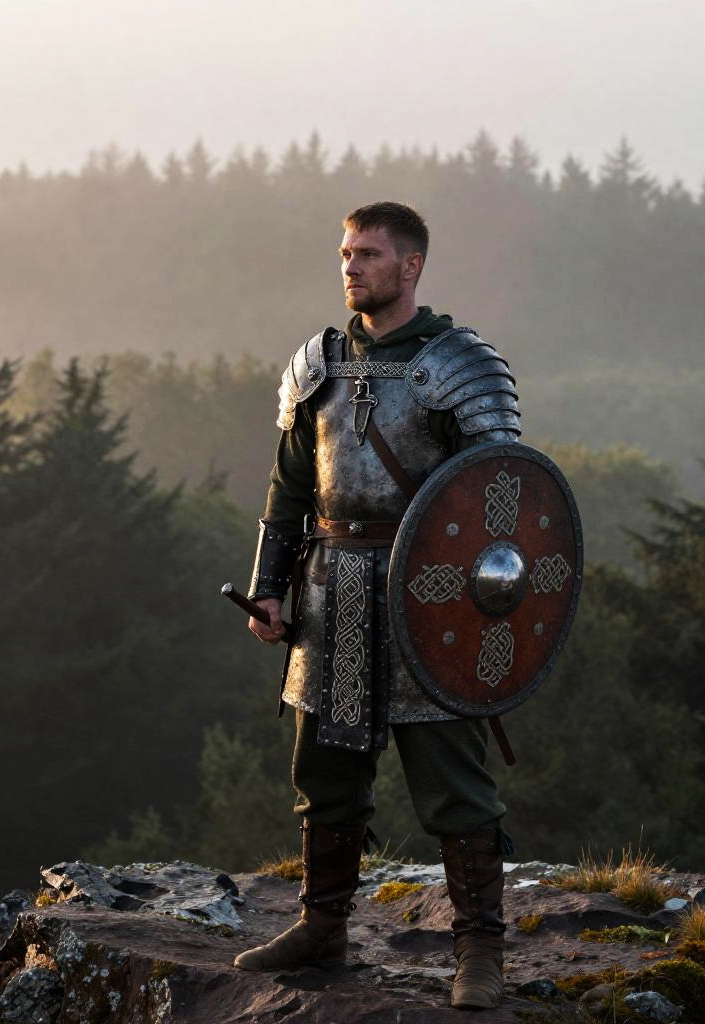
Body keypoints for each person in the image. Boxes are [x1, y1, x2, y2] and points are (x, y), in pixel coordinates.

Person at [233, 201, 521, 1011]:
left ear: (411, 267)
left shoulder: (462, 365)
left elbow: (504, 502)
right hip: (329, 592)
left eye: (367, 254)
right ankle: (322, 926)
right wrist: (267, 587)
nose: (350, 267)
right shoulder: (316, 363)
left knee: (455, 788)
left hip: (428, 599)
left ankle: (480, 951)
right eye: (345, 253)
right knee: (324, 777)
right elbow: (288, 489)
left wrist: (485, 606)